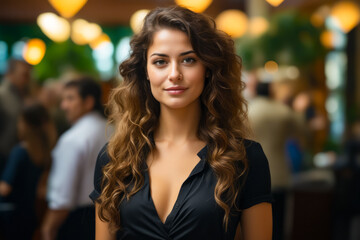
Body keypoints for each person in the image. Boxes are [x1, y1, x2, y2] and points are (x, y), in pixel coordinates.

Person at [90, 6, 272, 240]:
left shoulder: (245, 158)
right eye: (160, 62)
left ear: (207, 68)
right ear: (145, 71)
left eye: (188, 60)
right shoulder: (115, 159)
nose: (174, 73)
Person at [41, 77, 111, 240]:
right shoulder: (112, 129)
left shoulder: (73, 139)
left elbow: (62, 197)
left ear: (88, 102)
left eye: (70, 99)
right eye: (63, 99)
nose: (63, 106)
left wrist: (48, 228)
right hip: (112, 217)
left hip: (79, 221)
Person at [248, 82, 305, 240]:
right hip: (279, 172)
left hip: (251, 174)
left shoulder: (247, 111)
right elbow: (302, 130)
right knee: (280, 221)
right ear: (271, 92)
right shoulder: (283, 112)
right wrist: (299, 110)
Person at [0, 102, 56, 240]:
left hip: (12, 216)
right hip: (32, 213)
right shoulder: (48, 151)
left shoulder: (20, 152)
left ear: (25, 124)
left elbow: (5, 188)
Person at [0, 59, 32, 172]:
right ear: (10, 73)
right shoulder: (3, 95)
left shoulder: (22, 94)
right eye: (24, 74)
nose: (27, 79)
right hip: (4, 157)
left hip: (15, 156)